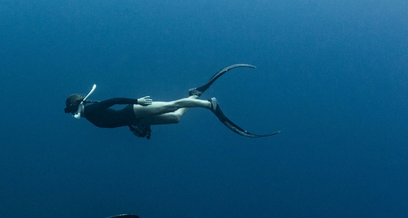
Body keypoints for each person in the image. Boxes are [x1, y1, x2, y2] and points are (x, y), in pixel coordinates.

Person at [64, 64, 279, 140]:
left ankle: (209, 104)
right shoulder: (90, 117)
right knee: (176, 118)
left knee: (173, 105)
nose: (74, 113)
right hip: (135, 117)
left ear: (78, 105)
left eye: (73, 109)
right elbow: (114, 119)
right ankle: (194, 95)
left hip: (136, 108)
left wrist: (137, 100)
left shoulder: (91, 110)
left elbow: (114, 101)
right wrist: (136, 125)